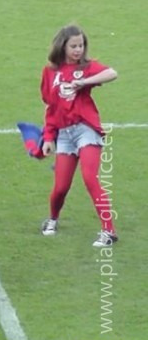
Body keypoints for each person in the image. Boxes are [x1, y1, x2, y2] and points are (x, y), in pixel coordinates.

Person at [39, 25, 118, 247]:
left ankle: (109, 231)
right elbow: (51, 107)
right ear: (62, 46)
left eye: (81, 45)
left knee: (90, 178)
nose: (78, 50)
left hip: (86, 129)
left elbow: (112, 73)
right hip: (64, 134)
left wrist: (84, 82)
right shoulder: (49, 72)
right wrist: (48, 137)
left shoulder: (86, 68)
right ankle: (52, 219)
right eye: (73, 46)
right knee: (60, 188)